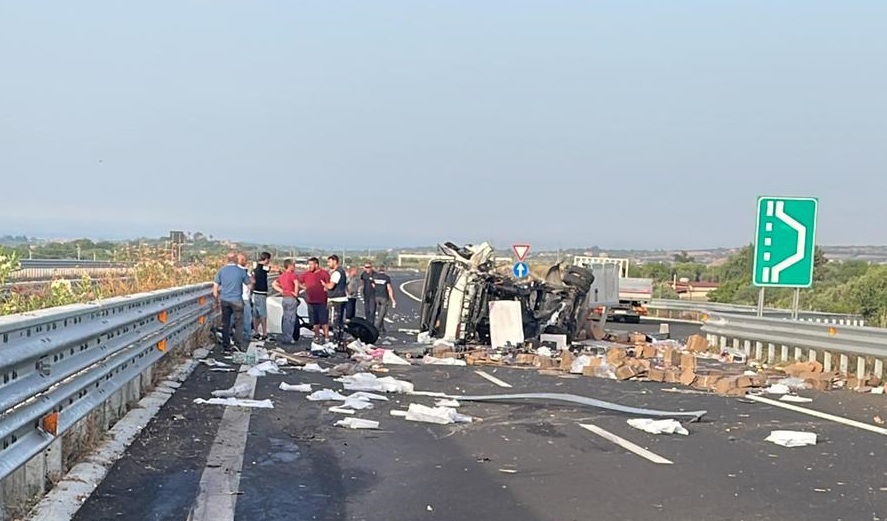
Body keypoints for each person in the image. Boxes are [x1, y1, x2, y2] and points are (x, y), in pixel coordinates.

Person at [213, 252, 251, 351]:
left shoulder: (221, 271)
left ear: (227, 259)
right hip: (237, 300)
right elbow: (249, 285)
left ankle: (226, 345)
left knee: (225, 323)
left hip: (225, 300)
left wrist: (216, 302)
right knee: (239, 323)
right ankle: (238, 344)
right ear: (235, 260)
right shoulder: (241, 271)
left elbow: (215, 288)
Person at [299, 257, 331, 341]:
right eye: (309, 264)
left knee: (324, 321)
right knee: (314, 321)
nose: (309, 266)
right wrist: (304, 287)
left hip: (322, 301)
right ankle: (317, 336)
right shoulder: (306, 274)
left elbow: (329, 285)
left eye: (311, 264)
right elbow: (297, 281)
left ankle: (326, 337)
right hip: (311, 301)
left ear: (316, 265)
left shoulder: (324, 273)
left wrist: (326, 289)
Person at [272, 259, 300, 344]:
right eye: (293, 265)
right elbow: (296, 284)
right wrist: (296, 293)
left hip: (284, 298)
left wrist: (281, 290)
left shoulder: (282, 276)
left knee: (285, 318)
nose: (294, 267)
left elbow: (274, 284)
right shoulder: (292, 275)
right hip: (291, 298)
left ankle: (285, 336)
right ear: (290, 266)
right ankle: (289, 337)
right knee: (291, 319)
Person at [321, 255, 348, 340]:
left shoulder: (336, 273)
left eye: (329, 262)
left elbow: (331, 286)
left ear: (335, 261)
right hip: (342, 298)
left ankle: (336, 338)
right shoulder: (342, 271)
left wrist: (324, 285)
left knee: (336, 320)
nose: (328, 264)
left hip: (336, 299)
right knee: (340, 320)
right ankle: (340, 337)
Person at [251, 251, 272, 340]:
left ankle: (256, 331)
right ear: (266, 259)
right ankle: (264, 333)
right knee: (263, 314)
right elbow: (270, 269)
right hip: (261, 293)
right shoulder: (263, 267)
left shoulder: (255, 268)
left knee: (256, 314)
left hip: (255, 292)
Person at [372, 265, 397, 334]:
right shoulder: (386, 278)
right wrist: (393, 299)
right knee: (382, 314)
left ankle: (382, 329)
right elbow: (389, 289)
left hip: (376, 296)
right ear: (385, 270)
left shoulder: (375, 277)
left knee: (380, 313)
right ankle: (376, 328)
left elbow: (373, 286)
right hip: (384, 297)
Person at [237, 253, 254, 344]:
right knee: (247, 317)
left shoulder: (234, 271)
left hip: (235, 298)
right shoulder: (244, 272)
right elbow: (251, 283)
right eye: (244, 260)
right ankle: (247, 335)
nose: (245, 261)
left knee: (235, 317)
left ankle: (233, 334)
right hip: (245, 297)